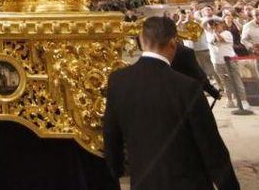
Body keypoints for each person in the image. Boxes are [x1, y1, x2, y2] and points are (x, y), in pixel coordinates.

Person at [103, 16, 239, 190]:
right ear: (173, 43)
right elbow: (211, 146)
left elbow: (111, 132)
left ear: (141, 40)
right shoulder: (187, 87)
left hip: (144, 181)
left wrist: (116, 168)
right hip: (189, 182)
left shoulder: (118, 81)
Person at [205, 18, 251, 114]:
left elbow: (219, 39)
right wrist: (211, 29)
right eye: (214, 25)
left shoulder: (227, 33)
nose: (215, 27)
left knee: (236, 80)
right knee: (225, 82)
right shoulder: (209, 35)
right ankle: (230, 100)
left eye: (217, 25)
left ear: (222, 25)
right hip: (217, 62)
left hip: (230, 61)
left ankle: (244, 101)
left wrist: (215, 31)